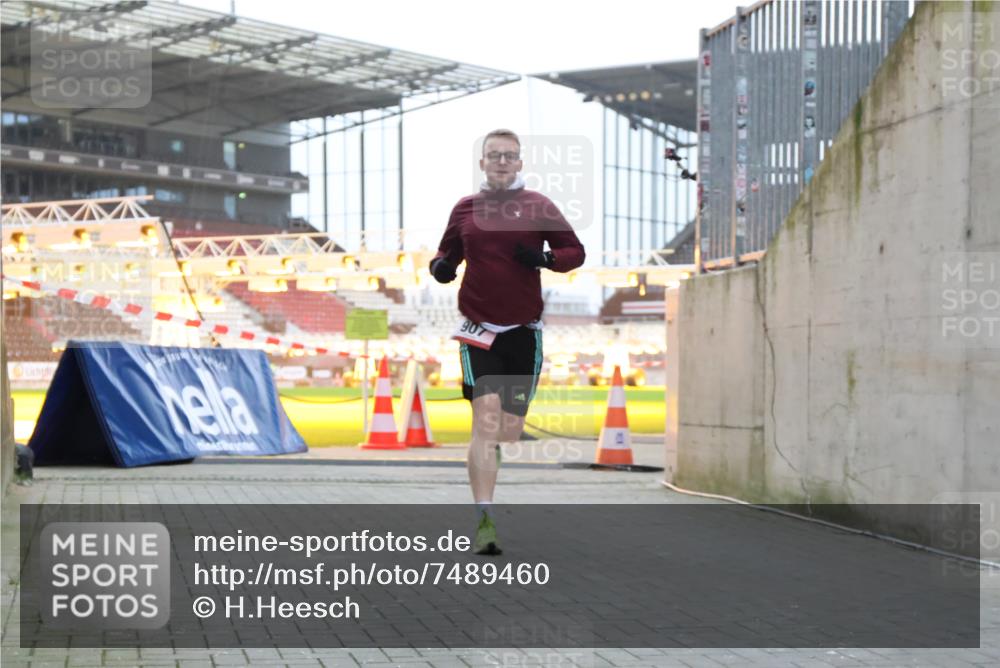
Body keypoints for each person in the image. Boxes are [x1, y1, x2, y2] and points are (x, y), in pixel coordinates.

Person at [429, 129, 585, 555]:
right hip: (478, 329)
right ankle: (485, 519)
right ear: (482, 163)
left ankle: (494, 461)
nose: (501, 161)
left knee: (508, 431)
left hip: (523, 330)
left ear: (519, 163)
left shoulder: (538, 205)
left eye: (509, 156)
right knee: (485, 421)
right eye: (494, 155)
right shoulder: (466, 208)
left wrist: (546, 259)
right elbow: (446, 255)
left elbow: (575, 251)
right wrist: (442, 267)